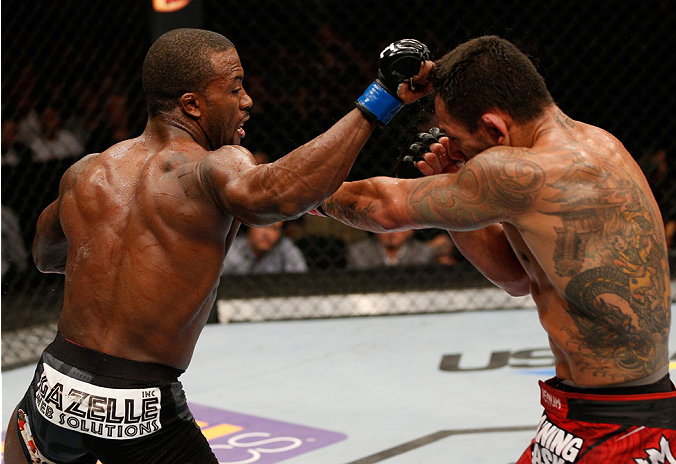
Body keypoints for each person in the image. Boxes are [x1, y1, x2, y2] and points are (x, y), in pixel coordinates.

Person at [3, 29, 433, 463]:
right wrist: (380, 99)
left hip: (50, 396)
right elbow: (279, 195)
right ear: (192, 105)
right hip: (140, 412)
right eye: (234, 87)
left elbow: (47, 256)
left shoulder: (87, 172)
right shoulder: (215, 167)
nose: (246, 100)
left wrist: (116, 263)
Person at [312, 36, 676, 462]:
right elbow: (516, 278)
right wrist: (455, 179)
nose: (451, 147)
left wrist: (289, 193)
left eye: (454, 136)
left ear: (494, 127)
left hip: (621, 427)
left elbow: (380, 207)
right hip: (580, 414)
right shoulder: (593, 143)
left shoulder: (527, 172)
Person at [222, 222, 308, 274]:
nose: (268, 234)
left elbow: (302, 276)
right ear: (249, 225)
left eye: (275, 228)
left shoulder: (284, 248)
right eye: (262, 225)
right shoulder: (232, 249)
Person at [346, 230, 436, 269]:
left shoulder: (423, 252)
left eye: (398, 228)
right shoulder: (359, 253)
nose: (391, 233)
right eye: (385, 228)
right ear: (375, 229)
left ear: (410, 230)